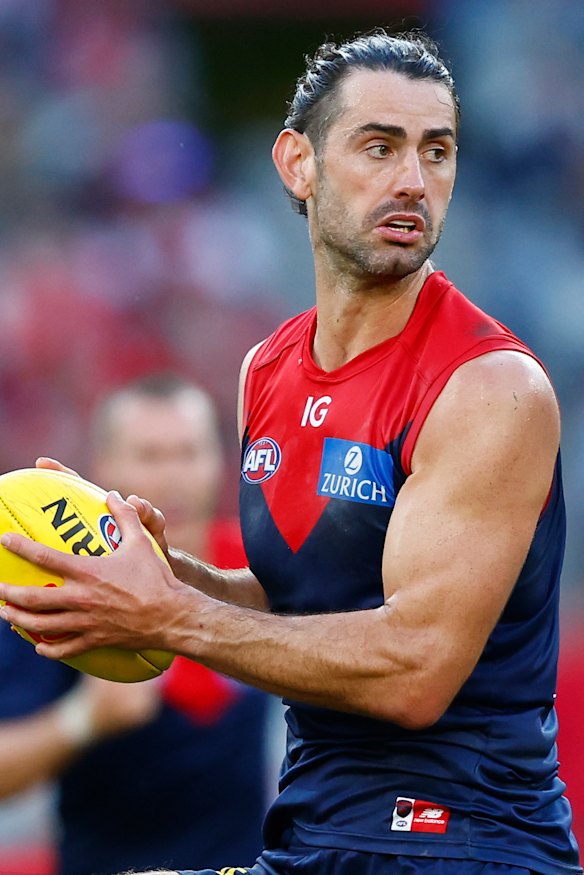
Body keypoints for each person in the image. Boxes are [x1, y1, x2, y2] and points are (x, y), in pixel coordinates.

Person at [0, 27, 581, 875]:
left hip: (460, 844)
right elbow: (300, 606)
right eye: (379, 147)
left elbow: (411, 670)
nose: (413, 181)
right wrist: (165, 576)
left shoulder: (491, 387)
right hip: (310, 836)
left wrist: (171, 615)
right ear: (297, 165)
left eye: (438, 151)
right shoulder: (266, 368)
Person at [0, 374, 269, 875]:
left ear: (220, 462)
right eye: (150, 456)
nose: (174, 478)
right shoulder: (60, 590)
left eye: (189, 453)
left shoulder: (253, 572)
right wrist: (82, 720)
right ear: (103, 470)